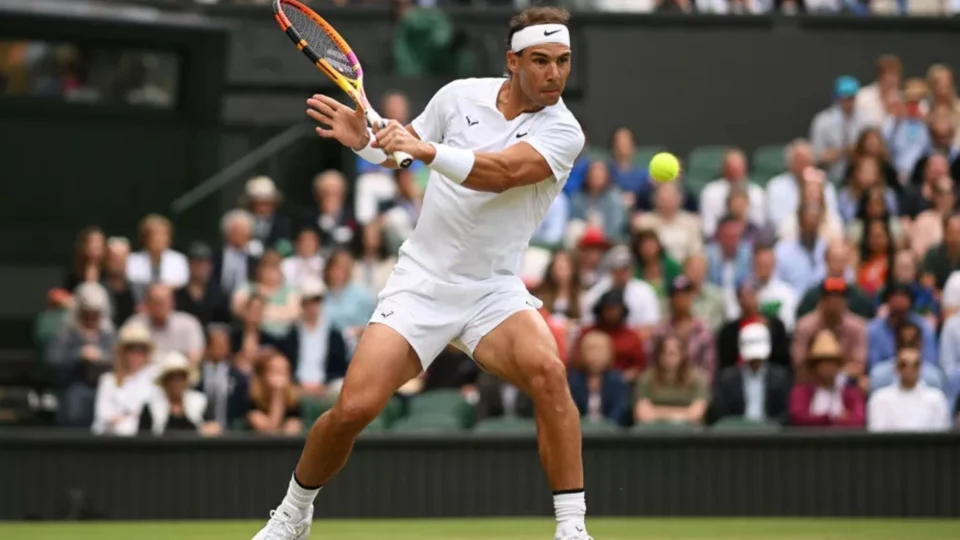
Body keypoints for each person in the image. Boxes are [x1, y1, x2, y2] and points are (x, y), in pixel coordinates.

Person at [255, 8, 592, 540]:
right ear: (513, 61)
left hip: (493, 291)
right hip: (422, 283)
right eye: (541, 61)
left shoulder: (564, 131)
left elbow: (500, 174)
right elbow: (401, 155)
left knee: (550, 376)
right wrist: (365, 143)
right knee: (352, 409)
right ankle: (293, 514)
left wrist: (425, 150)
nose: (555, 74)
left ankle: (571, 529)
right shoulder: (459, 95)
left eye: (564, 61)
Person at [867, 345, 951, 432]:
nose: (909, 369)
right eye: (903, 365)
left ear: (921, 368)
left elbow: (941, 436)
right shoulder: (880, 398)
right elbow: (877, 436)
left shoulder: (936, 398)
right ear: (896, 367)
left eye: (915, 365)